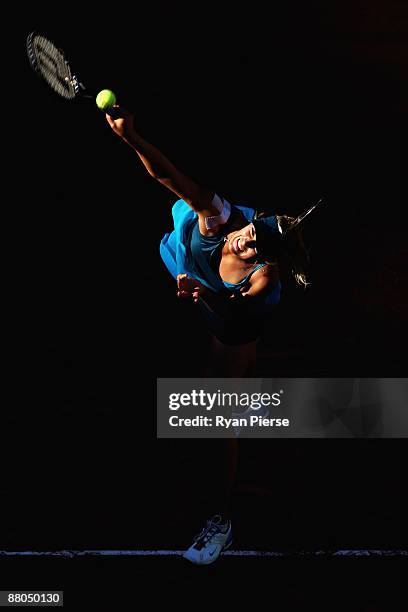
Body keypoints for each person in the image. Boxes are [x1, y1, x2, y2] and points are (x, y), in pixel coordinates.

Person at [104, 105, 320, 565]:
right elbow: (170, 177)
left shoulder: (264, 280)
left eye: (256, 245)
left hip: (230, 325)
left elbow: (233, 307)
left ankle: (221, 521)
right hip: (187, 262)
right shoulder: (224, 218)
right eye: (251, 231)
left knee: (219, 412)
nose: (245, 240)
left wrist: (204, 293)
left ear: (268, 259)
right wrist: (131, 138)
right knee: (190, 207)